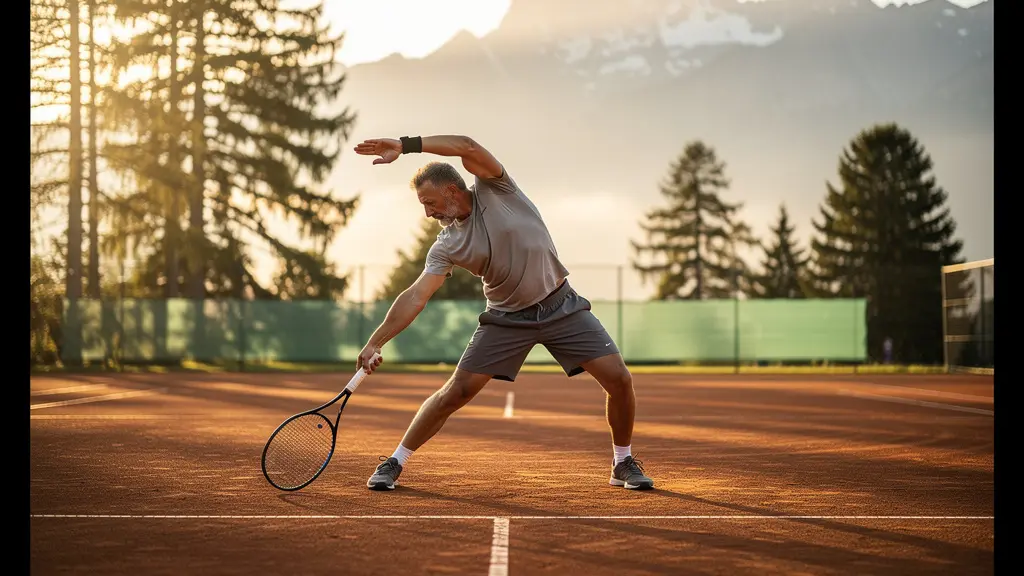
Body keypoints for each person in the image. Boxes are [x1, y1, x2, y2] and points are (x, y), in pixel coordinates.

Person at [351, 134, 654, 492]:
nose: (428, 212)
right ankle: (395, 461)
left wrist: (407, 145)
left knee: (619, 379)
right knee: (456, 392)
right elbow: (416, 295)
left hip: (561, 305)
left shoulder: (497, 189)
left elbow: (467, 146)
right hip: (507, 318)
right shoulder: (447, 244)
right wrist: (375, 342)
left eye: (430, 202)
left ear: (452, 190)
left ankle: (622, 463)